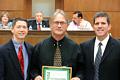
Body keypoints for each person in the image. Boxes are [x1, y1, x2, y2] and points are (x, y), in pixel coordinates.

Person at [30, 9, 83, 80]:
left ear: (67, 25)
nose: (59, 25)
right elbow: (33, 68)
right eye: (56, 22)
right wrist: (36, 76)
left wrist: (78, 77)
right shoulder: (40, 46)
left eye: (62, 23)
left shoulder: (75, 47)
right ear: (50, 24)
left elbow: (82, 69)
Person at [80, 12, 120, 80]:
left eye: (103, 23)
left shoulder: (118, 46)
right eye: (97, 23)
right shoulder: (84, 46)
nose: (99, 26)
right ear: (93, 27)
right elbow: (81, 69)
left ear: (109, 26)